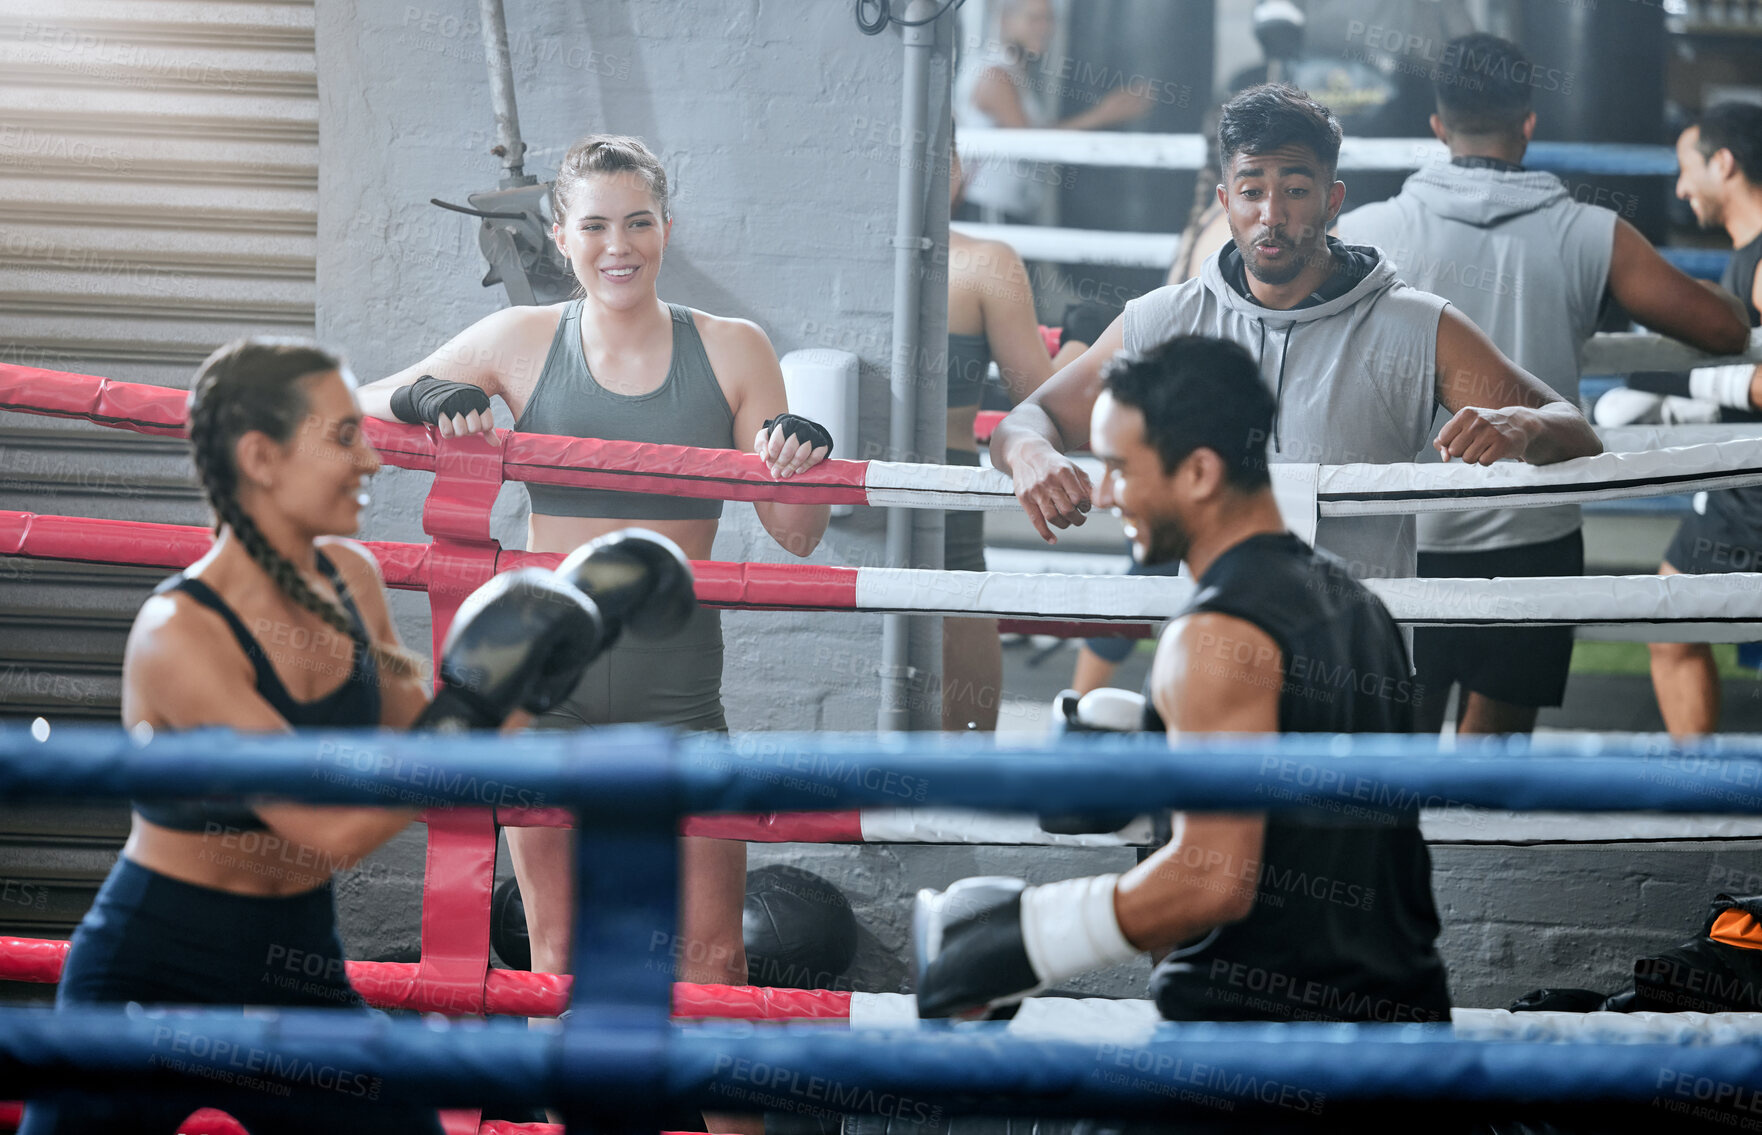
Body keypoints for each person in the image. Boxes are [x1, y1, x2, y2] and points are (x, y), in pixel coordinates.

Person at [356, 135, 830, 1129]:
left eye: (640, 222)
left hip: (679, 698)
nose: (621, 246)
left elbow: (793, 536)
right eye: (597, 226)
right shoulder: (522, 339)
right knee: (556, 957)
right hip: (547, 698)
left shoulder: (733, 347)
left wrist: (799, 457)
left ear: (666, 227)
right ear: (562, 236)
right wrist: (422, 396)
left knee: (715, 967)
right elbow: (354, 407)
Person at [20, 338, 609, 1135]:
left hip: (293, 958)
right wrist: (469, 719)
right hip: (153, 970)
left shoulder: (350, 576)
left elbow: (421, 726)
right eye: (341, 435)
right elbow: (326, 831)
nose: (369, 457)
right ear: (260, 457)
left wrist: (518, 691)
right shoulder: (178, 633)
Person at [914, 335, 1451, 1031]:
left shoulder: (1213, 636)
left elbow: (1213, 879)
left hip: (1256, 1055)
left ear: (1198, 471)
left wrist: (1021, 939)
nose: (1106, 491)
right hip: (1401, 1032)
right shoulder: (1356, 602)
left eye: (1119, 468)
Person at [990, 84, 1604, 589]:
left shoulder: (1417, 326)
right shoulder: (1165, 319)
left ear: (1333, 200)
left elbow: (1575, 432)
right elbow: (1031, 418)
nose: (1272, 214)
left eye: (1296, 190)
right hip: (1215, 653)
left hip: (1357, 660)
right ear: (1226, 202)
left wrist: (1523, 427)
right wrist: (1031, 453)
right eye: (1253, 191)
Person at [1335, 35, 1751, 736]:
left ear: (1438, 127)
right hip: (1536, 528)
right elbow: (1725, 329)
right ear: (1529, 122)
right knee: (1493, 778)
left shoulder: (1370, 234)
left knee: (1387, 772)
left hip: (1403, 529)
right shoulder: (1590, 232)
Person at [1638, 103, 1762, 736]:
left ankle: (1703, 797)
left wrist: (1688, 383)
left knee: (1673, 620)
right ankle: (1704, 792)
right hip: (1742, 485)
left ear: (1725, 163)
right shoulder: (1746, 258)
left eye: (1689, 170)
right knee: (1673, 622)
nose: (1682, 189)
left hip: (1755, 495)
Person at [945, 143, 1056, 730]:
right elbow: (1043, 399)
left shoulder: (824, 257)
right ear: (959, 169)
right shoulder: (987, 263)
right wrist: (1087, 345)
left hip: (840, 501)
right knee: (961, 761)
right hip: (939, 500)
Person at [953, 0, 1150, 224]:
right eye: (1034, 19)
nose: (1044, 28)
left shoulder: (1013, 72)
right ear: (1005, 20)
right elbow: (1028, 141)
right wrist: (1102, 115)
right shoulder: (995, 74)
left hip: (1003, 209)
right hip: (987, 211)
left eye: (1049, 20)